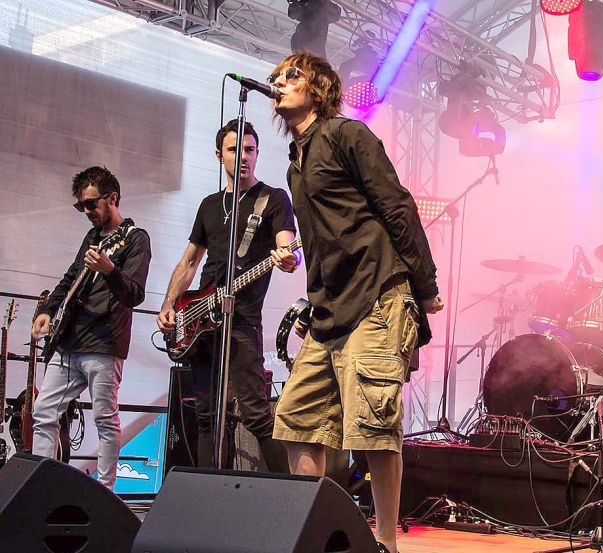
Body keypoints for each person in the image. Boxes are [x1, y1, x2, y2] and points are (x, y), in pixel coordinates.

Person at [269, 52, 443, 553]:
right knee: (297, 420)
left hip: (377, 296)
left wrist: (425, 285)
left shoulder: (348, 136)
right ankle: (311, 534)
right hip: (329, 310)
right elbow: (325, 239)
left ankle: (385, 542)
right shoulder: (294, 161)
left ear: (320, 88)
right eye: (276, 77)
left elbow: (397, 205)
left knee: (373, 426)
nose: (279, 82)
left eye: (292, 75)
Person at [156, 120, 295, 473]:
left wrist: (288, 257)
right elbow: (189, 261)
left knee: (255, 412)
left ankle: (290, 498)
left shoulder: (273, 199)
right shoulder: (209, 205)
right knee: (205, 415)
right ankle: (205, 496)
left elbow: (286, 244)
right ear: (220, 156)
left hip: (243, 321)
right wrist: (170, 305)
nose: (243, 157)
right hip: (200, 317)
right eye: (235, 150)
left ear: (258, 154)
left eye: (250, 150)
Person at [31, 166, 152, 489]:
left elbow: (135, 293)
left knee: (105, 419)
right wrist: (47, 309)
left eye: (90, 204)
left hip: (104, 343)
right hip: (70, 340)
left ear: (112, 198)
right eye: (80, 206)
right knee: (43, 412)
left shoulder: (136, 239)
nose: (86, 212)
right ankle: (38, 486)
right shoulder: (93, 237)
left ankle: (105, 492)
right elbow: (72, 276)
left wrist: (111, 269)